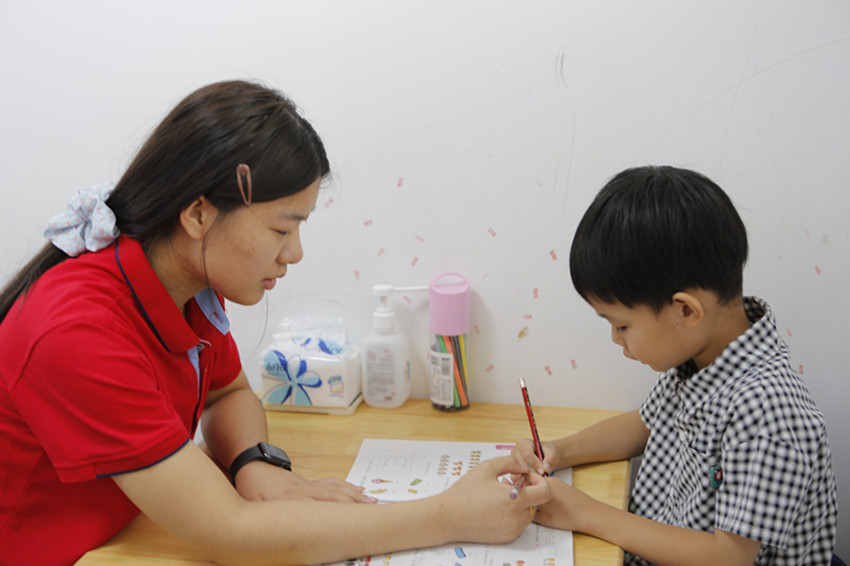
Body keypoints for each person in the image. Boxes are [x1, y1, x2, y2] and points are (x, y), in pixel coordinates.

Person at [0, 80, 550, 566]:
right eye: (282, 230)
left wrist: (253, 465)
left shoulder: (188, 288)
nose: (295, 253)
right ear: (198, 214)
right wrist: (448, 515)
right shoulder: (77, 331)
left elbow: (228, 393)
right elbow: (232, 535)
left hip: (123, 531)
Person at [511, 166, 837, 565]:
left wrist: (585, 513)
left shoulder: (768, 415)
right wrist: (556, 451)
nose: (615, 339)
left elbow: (727, 559)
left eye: (622, 325)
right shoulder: (700, 361)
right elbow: (642, 425)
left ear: (685, 310)